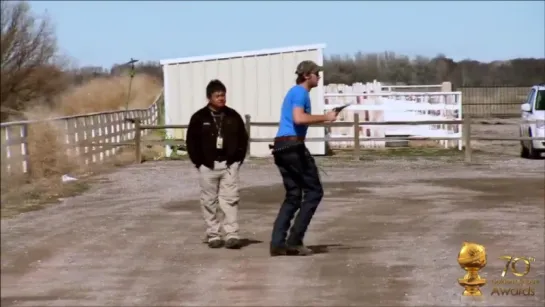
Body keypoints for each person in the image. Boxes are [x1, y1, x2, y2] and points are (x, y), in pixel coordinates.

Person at [269, 60, 339, 257]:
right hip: (293, 146)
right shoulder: (300, 93)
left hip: (282, 146)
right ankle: (294, 241)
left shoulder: (295, 92)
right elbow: (299, 118)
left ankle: (278, 243)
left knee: (293, 195)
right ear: (307, 75)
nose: (319, 76)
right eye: (317, 73)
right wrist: (326, 117)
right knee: (314, 192)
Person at [186, 79, 249, 249]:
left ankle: (231, 234)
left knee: (230, 200)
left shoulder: (233, 116)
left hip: (229, 166)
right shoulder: (199, 118)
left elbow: (243, 139)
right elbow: (191, 142)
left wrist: (237, 160)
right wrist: (199, 163)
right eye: (217, 96)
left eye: (223, 95)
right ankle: (213, 234)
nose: (221, 98)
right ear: (209, 97)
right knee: (209, 201)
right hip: (208, 166)